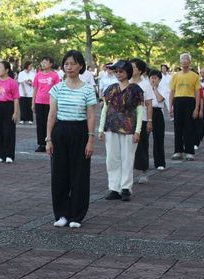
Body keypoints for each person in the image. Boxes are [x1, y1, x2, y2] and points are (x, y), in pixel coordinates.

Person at [46, 50, 97, 228]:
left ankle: (76, 215)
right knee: (59, 174)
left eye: (73, 63)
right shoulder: (57, 88)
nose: (69, 67)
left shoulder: (88, 90)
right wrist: (48, 139)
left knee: (79, 174)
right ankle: (61, 214)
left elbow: (91, 116)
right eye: (66, 64)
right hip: (60, 131)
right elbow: (52, 115)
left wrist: (90, 139)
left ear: (81, 66)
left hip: (80, 131)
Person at [98, 60, 143, 202]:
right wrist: (100, 128)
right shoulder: (110, 88)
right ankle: (114, 188)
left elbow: (140, 111)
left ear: (128, 72)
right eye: (116, 71)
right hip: (111, 126)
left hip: (129, 128)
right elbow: (105, 109)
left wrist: (138, 131)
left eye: (121, 71)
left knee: (127, 158)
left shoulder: (136, 89)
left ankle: (126, 188)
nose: (118, 74)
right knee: (112, 159)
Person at [0, 61, 20, 163]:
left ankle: (9, 155)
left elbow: (16, 99)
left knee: (8, 131)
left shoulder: (12, 82)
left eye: (0, 68)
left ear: (7, 70)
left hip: (8, 106)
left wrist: (15, 112)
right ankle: (0, 155)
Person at [170, 53, 201, 161]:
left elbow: (197, 93)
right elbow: (172, 92)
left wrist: (197, 108)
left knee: (189, 127)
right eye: (182, 59)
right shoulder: (175, 75)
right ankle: (178, 151)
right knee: (178, 127)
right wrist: (170, 106)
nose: (184, 61)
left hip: (190, 101)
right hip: (178, 101)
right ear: (180, 62)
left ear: (189, 62)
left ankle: (189, 152)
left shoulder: (195, 76)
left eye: (186, 59)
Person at [130, 58, 154, 184]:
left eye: (133, 67)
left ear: (140, 70)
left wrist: (150, 120)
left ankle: (143, 171)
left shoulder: (146, 84)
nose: (131, 69)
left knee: (142, 145)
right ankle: (128, 172)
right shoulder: (126, 82)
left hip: (143, 119)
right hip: (128, 120)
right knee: (127, 146)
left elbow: (149, 104)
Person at [32, 56, 60, 152]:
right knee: (40, 123)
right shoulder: (38, 75)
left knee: (50, 122)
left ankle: (51, 141)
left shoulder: (55, 76)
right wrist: (33, 103)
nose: (43, 64)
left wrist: (57, 103)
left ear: (51, 64)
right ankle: (41, 144)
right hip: (39, 102)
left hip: (51, 103)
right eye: (42, 62)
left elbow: (57, 90)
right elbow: (35, 89)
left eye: (45, 62)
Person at [148, 70, 167, 170]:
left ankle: (160, 162)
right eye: (151, 78)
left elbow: (160, 99)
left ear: (159, 79)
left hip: (158, 112)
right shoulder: (145, 88)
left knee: (159, 138)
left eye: (155, 78)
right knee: (143, 139)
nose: (153, 80)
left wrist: (155, 88)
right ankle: (143, 162)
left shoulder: (163, 88)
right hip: (147, 112)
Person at [17, 61, 35, 125]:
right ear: (27, 66)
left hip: (30, 92)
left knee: (29, 106)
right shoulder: (21, 73)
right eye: (30, 66)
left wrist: (30, 83)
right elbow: (21, 82)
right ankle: (22, 119)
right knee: (22, 106)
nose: (31, 67)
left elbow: (34, 82)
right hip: (22, 92)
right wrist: (24, 91)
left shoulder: (33, 74)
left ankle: (30, 119)